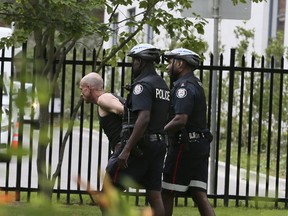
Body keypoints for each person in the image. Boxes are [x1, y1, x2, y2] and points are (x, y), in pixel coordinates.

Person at [106, 43, 170, 216]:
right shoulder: (162, 85)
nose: (133, 64)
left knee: (109, 183)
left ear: (141, 62)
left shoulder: (142, 85)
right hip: (159, 145)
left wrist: (126, 150)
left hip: (141, 145)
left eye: (134, 60)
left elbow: (144, 118)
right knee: (154, 194)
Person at [161, 48, 215, 216]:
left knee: (167, 191)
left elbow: (180, 119)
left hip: (185, 146)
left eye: (170, 62)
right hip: (198, 144)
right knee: (199, 193)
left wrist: (160, 131)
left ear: (180, 63)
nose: (167, 66)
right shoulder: (196, 84)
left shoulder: (183, 87)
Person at [79, 72, 124, 153]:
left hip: (126, 152)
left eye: (81, 89)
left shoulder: (103, 99)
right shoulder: (105, 99)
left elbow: (127, 112)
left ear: (88, 88)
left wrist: (125, 148)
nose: (81, 94)